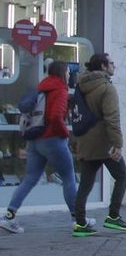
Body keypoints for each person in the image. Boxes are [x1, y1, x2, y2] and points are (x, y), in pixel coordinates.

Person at [0, 61, 78, 234]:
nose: (68, 75)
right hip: (52, 138)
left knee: (30, 178)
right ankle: (78, 220)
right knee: (68, 177)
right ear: (62, 73)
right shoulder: (60, 89)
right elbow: (56, 116)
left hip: (34, 139)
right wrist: (65, 134)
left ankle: (9, 216)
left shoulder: (42, 88)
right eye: (67, 72)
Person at [72, 53, 126, 237]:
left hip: (85, 139)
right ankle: (113, 216)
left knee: (86, 183)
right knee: (122, 176)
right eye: (112, 63)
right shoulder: (106, 88)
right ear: (103, 66)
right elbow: (112, 119)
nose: (114, 66)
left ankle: (80, 223)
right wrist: (117, 144)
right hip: (103, 142)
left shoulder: (82, 85)